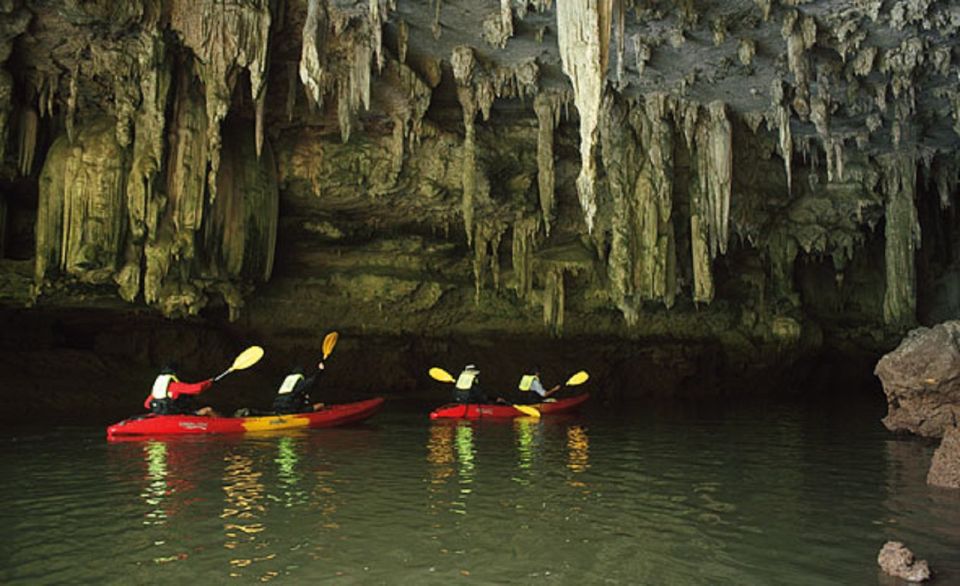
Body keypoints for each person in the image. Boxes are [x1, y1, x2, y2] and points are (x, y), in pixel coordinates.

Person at [143, 365, 217, 416]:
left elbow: (147, 405)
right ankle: (224, 425)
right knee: (208, 410)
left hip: (161, 414)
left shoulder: (156, 390)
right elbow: (197, 389)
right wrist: (208, 382)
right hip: (177, 415)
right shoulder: (175, 386)